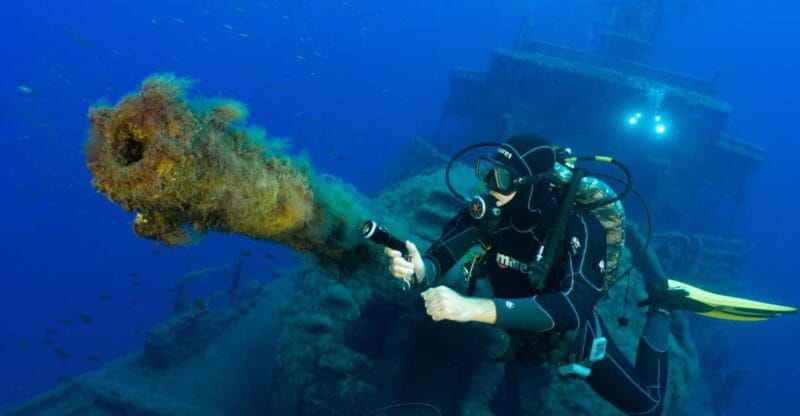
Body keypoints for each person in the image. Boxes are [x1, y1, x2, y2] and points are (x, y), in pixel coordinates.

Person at [384, 134, 671, 416]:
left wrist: (471, 308)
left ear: (533, 186)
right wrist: (421, 269)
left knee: (648, 406)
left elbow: (574, 307)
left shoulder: (580, 226)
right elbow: (442, 255)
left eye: (503, 177)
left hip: (566, 338)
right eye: (489, 171)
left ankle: (663, 304)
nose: (490, 185)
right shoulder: (488, 211)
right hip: (516, 326)